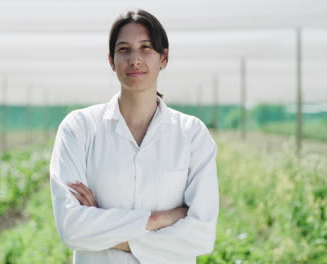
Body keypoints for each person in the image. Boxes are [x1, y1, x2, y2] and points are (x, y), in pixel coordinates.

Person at [50, 8, 219, 264]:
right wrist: (158, 219)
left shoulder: (191, 134)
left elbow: (201, 234)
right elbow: (72, 227)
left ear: (164, 58)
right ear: (111, 60)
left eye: (146, 48)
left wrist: (102, 224)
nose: (135, 59)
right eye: (124, 49)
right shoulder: (79, 128)